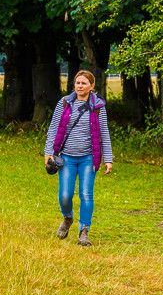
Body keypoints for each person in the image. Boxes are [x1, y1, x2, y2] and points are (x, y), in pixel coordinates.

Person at [43, 70, 114, 246]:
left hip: (88, 158)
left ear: (92, 86)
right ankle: (68, 218)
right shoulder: (65, 102)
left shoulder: (98, 106)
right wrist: (48, 151)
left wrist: (108, 158)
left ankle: (84, 231)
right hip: (66, 157)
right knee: (65, 195)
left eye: (83, 83)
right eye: (77, 83)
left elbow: (104, 132)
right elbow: (53, 127)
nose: (80, 86)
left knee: (86, 194)